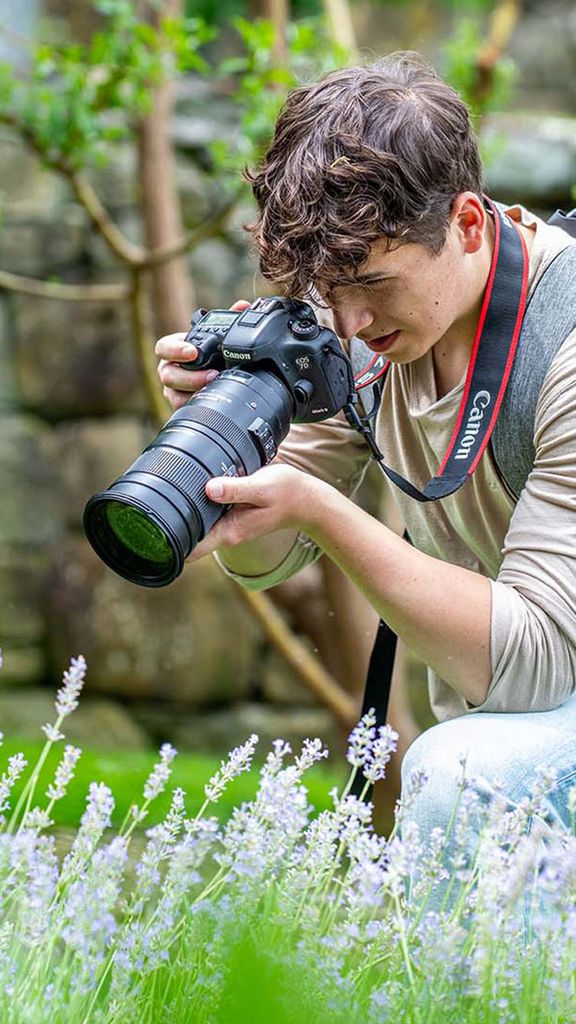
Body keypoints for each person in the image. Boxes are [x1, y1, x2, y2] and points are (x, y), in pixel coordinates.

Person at [155, 52, 576, 845]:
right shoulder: (361, 331)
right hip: (512, 716)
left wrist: (324, 512)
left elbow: (536, 662)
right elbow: (263, 557)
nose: (346, 326)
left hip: (531, 699)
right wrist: (224, 443)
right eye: (324, 292)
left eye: (373, 284)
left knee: (462, 776)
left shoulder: (564, 345)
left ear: (468, 224)